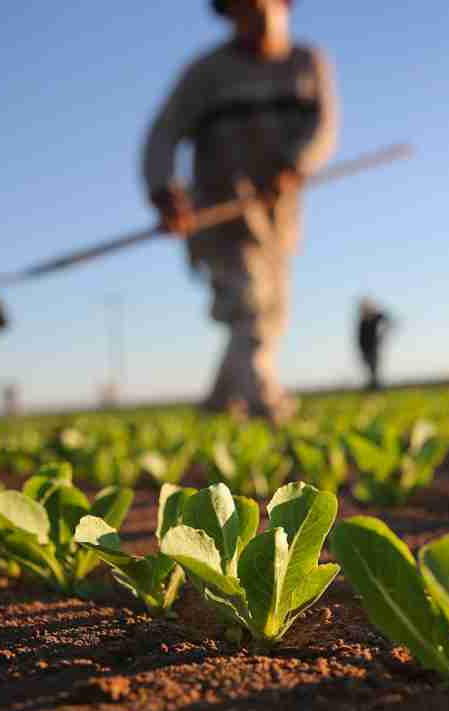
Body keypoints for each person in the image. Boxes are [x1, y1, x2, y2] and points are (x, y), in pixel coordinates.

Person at [142, 0, 338, 422]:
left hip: (278, 217)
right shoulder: (206, 72)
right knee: (247, 304)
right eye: (241, 11)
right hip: (219, 211)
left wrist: (294, 165)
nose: (254, 19)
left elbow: (323, 127)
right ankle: (265, 404)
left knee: (271, 311)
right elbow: (164, 133)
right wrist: (163, 190)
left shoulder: (307, 62)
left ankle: (218, 405)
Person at [357, 297, 391, 390]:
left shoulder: (375, 316)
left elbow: (388, 320)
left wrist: (383, 334)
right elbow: (360, 337)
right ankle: (373, 385)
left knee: (374, 367)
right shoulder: (362, 321)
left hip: (373, 347)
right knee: (370, 368)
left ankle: (375, 386)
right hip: (365, 349)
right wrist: (360, 349)